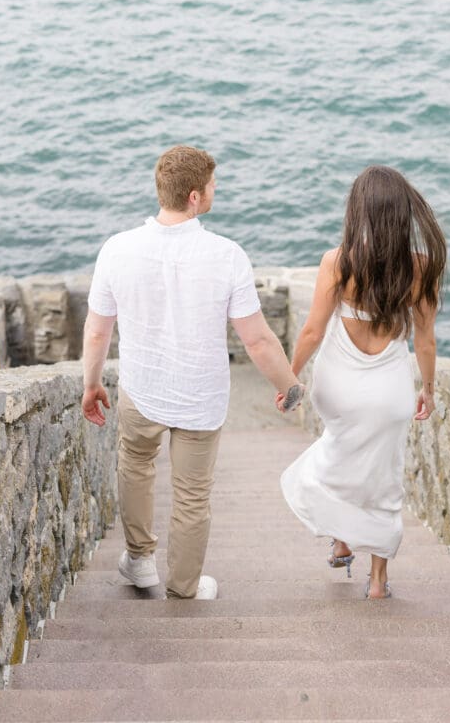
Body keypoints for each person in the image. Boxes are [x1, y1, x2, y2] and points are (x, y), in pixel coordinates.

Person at [81, 145, 304, 600]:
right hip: (200, 398)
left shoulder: (117, 249)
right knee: (192, 494)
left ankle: (140, 561)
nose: (215, 191)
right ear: (196, 197)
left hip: (141, 388)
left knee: (136, 465)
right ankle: (183, 585)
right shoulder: (226, 256)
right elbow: (257, 340)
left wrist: (91, 383)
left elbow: (97, 331)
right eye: (214, 186)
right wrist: (289, 387)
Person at [279, 165, 446, 599]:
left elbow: (312, 332)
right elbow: (425, 341)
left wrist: (288, 376)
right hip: (389, 392)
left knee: (340, 453)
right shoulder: (421, 267)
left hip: (339, 388)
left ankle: (340, 538)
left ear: (359, 213)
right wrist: (427, 389)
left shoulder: (338, 262)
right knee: (383, 476)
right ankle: (377, 582)